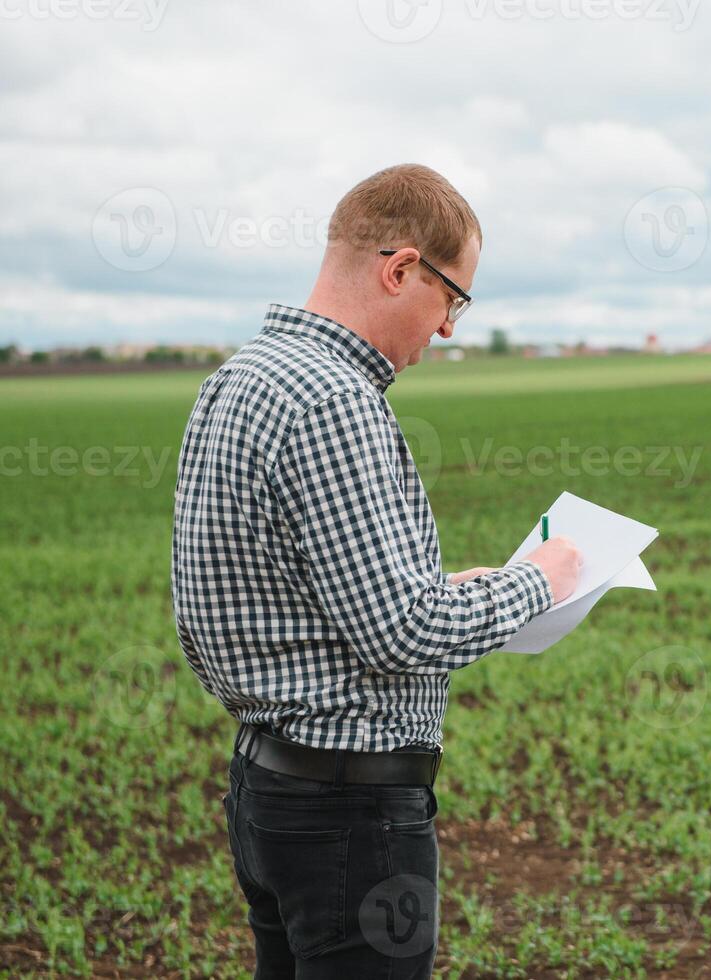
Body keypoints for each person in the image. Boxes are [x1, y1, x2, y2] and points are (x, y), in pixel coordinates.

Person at [170, 163, 582, 978]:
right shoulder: (334, 401)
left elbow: (289, 589)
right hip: (348, 810)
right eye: (452, 299)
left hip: (267, 790)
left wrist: (450, 589)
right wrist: (543, 577)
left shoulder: (240, 378)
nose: (449, 329)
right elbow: (402, 631)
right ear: (400, 270)